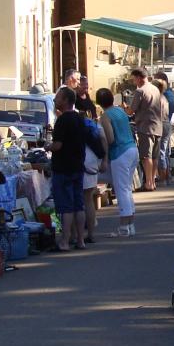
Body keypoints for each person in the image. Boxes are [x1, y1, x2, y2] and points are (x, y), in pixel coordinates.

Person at [46, 87, 99, 251]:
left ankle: (65, 240)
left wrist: (48, 146)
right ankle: (80, 240)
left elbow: (58, 145)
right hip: (77, 166)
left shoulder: (62, 120)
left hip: (63, 167)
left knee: (66, 206)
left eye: (58, 98)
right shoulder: (79, 118)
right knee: (78, 204)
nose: (55, 100)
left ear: (66, 100)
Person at [97, 87, 138, 237]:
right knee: (126, 188)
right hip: (132, 149)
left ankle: (123, 226)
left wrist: (104, 156)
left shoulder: (105, 116)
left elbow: (110, 138)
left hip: (119, 152)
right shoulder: (120, 111)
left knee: (122, 190)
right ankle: (130, 224)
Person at [128, 68, 164, 191]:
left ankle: (148, 182)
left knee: (146, 156)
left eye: (134, 79)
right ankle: (153, 181)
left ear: (138, 78)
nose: (134, 82)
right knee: (155, 156)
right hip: (158, 126)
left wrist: (124, 108)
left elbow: (131, 110)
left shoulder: (140, 91)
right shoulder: (155, 89)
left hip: (145, 126)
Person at [81, 110, 107, 246]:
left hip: (81, 162)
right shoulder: (94, 125)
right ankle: (91, 234)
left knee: (78, 202)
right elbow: (103, 139)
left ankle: (76, 236)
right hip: (93, 161)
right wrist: (104, 159)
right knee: (89, 200)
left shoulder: (74, 123)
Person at [154, 71, 174, 185]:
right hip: (167, 122)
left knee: (160, 151)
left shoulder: (161, 97)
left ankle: (163, 177)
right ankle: (168, 176)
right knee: (165, 151)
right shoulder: (169, 95)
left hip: (162, 123)